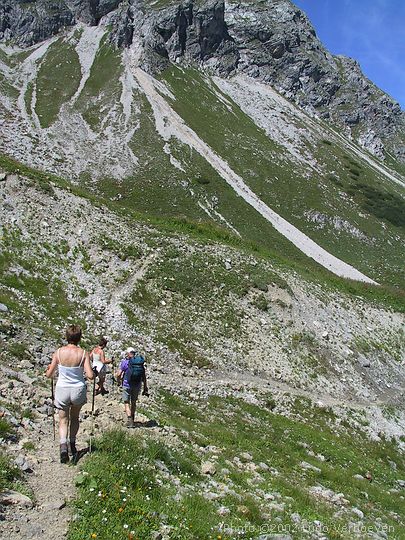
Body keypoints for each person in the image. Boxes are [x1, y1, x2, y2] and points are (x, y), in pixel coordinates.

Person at [46, 324, 94, 463]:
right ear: (79, 337)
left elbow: (49, 374)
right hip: (77, 389)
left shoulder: (59, 352)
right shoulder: (83, 353)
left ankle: (63, 447)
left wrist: (48, 370)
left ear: (67, 336)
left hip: (62, 388)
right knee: (74, 417)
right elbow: (90, 375)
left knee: (63, 419)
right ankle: (72, 444)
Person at [116, 347, 149, 428]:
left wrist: (119, 381)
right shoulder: (139, 363)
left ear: (127, 354)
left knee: (126, 402)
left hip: (127, 385)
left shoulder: (125, 362)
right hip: (137, 385)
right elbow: (144, 377)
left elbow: (118, 374)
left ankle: (130, 420)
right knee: (133, 402)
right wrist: (145, 387)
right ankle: (133, 419)